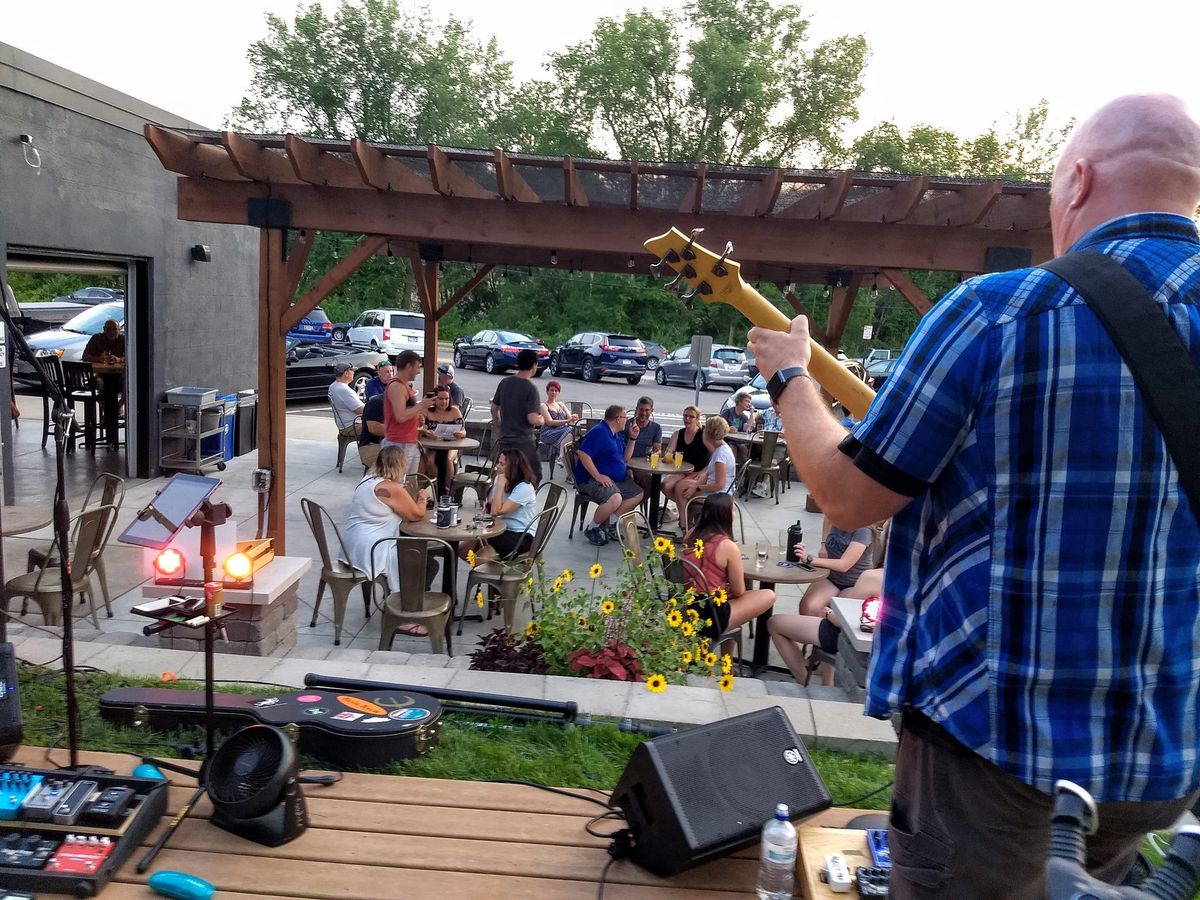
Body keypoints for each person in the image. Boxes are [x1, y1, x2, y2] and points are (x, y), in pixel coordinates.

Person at [747, 94, 1200, 896]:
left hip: (998, 753)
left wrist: (790, 374)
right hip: (1166, 757)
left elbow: (849, 497)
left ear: (1079, 181)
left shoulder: (1001, 313)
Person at [340, 445, 431, 637]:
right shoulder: (391, 488)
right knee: (411, 558)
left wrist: (401, 491)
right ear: (400, 465)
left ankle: (403, 602)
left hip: (353, 545)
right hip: (373, 547)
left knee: (409, 554)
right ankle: (403, 614)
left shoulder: (368, 480)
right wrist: (422, 498)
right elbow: (416, 515)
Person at [679, 493, 776, 650]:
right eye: (733, 509)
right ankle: (732, 663)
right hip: (710, 615)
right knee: (768, 595)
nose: (735, 513)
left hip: (686, 605)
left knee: (735, 601)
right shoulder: (727, 546)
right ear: (726, 514)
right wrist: (728, 590)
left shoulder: (691, 534)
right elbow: (739, 590)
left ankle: (728, 665)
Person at [768, 566, 883, 687]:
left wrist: (828, 614)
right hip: (881, 649)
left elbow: (845, 623)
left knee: (775, 623)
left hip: (853, 642)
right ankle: (825, 682)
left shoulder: (872, 577)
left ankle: (806, 683)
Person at [573, 404, 644, 546]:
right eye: (625, 417)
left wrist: (633, 439)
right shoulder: (600, 432)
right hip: (589, 480)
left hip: (614, 479)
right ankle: (592, 527)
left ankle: (611, 523)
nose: (627, 420)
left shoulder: (615, 434)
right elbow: (582, 453)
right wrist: (598, 476)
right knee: (615, 498)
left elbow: (625, 458)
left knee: (637, 494)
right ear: (618, 419)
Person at [459, 449, 538, 563]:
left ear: (513, 468)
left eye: (502, 464)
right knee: (462, 551)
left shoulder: (524, 488)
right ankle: (487, 570)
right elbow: (490, 507)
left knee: (477, 560)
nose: (497, 467)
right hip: (500, 528)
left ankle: (490, 574)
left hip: (520, 534)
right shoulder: (500, 479)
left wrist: (500, 485)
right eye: (498, 462)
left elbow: (496, 512)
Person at [793, 523, 874, 616]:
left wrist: (809, 559)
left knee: (839, 613)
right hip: (832, 577)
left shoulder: (863, 531)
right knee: (808, 607)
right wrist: (823, 545)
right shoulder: (836, 520)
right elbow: (827, 518)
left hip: (854, 583)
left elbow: (844, 565)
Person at [490, 348, 544, 484]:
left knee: (506, 475)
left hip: (505, 440)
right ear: (534, 365)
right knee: (533, 476)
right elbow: (532, 418)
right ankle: (521, 503)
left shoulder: (505, 382)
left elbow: (494, 409)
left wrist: (500, 427)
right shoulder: (531, 389)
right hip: (524, 442)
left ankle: (503, 501)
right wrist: (542, 419)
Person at [382, 350, 434, 474]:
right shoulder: (397, 386)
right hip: (398, 443)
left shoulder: (404, 386)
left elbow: (407, 412)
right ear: (409, 366)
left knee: (409, 483)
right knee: (397, 483)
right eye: (417, 367)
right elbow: (400, 416)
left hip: (409, 441)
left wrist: (417, 416)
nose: (418, 371)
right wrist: (421, 405)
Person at [674, 416, 735, 516]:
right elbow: (709, 474)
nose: (703, 430)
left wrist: (698, 487)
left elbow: (719, 485)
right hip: (717, 491)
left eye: (705, 429)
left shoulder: (721, 455)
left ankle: (685, 524)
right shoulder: (719, 448)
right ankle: (688, 521)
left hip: (718, 495)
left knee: (681, 490)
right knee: (681, 486)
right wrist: (695, 485)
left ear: (710, 433)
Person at [662, 405, 709, 521]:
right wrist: (667, 456)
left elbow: (714, 458)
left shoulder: (703, 435)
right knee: (665, 485)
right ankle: (686, 508)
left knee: (679, 488)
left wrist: (704, 472)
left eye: (691, 417)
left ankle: (683, 522)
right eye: (685, 416)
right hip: (681, 470)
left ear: (697, 419)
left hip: (697, 471)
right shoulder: (678, 434)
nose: (687, 419)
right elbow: (669, 452)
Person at [420, 384, 466, 494]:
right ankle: (438, 486)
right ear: (434, 399)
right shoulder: (427, 411)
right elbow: (420, 428)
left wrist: (460, 433)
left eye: (446, 399)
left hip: (450, 445)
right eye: (440, 398)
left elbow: (464, 431)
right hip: (432, 445)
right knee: (431, 460)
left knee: (447, 460)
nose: (443, 402)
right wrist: (426, 432)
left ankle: (447, 490)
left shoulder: (454, 411)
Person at [624, 396, 663, 495]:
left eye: (647, 410)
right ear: (637, 409)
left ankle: (631, 506)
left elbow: (658, 449)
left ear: (652, 411)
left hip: (644, 466)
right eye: (641, 409)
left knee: (653, 484)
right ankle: (629, 507)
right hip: (626, 464)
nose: (644, 413)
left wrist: (656, 453)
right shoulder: (627, 424)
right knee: (629, 478)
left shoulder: (656, 428)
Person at [538, 380, 576, 464]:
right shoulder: (543, 406)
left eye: (556, 391)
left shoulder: (561, 404)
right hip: (548, 432)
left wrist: (574, 417)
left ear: (559, 393)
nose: (553, 393)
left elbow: (571, 419)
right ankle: (561, 456)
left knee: (573, 432)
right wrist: (567, 420)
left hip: (562, 431)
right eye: (551, 390)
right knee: (570, 430)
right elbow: (549, 422)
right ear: (547, 391)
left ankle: (562, 457)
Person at [327, 362, 363, 438]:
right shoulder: (345, 390)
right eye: (352, 370)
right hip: (352, 426)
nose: (353, 372)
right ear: (346, 373)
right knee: (381, 429)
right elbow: (361, 411)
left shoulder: (333, 386)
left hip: (344, 425)